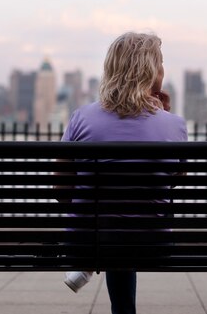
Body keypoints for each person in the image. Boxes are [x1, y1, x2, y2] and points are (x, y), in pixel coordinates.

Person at [56, 32, 187, 314]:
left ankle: (96, 272)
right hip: (153, 242)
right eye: (161, 65)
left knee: (113, 230)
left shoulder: (82, 117)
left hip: (88, 239)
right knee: (127, 230)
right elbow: (175, 183)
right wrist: (164, 114)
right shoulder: (174, 125)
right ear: (152, 73)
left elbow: (60, 190)